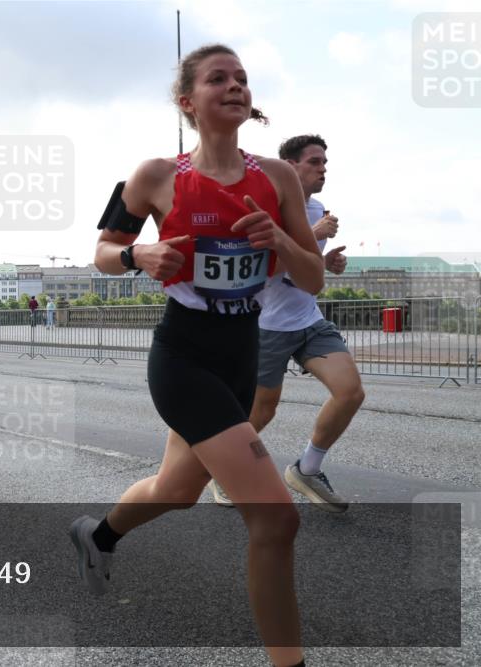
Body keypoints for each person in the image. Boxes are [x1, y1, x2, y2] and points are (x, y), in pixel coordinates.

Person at [69, 44, 324, 667]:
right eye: (218, 78)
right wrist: (138, 257)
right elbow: (102, 251)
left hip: (243, 350)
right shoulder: (156, 175)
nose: (235, 85)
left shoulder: (278, 177)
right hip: (183, 355)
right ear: (188, 101)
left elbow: (313, 279)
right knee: (276, 519)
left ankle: (97, 535)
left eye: (242, 78)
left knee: (179, 490)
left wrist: (280, 242)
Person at [209, 135, 362, 512]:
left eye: (325, 162)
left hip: (308, 318)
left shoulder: (319, 208)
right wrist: (315, 236)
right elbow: (263, 269)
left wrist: (326, 264)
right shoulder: (267, 209)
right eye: (314, 161)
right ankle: (223, 472)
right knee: (261, 412)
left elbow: (300, 271)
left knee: (350, 392)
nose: (323, 168)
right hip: (269, 325)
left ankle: (307, 470)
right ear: (289, 167)